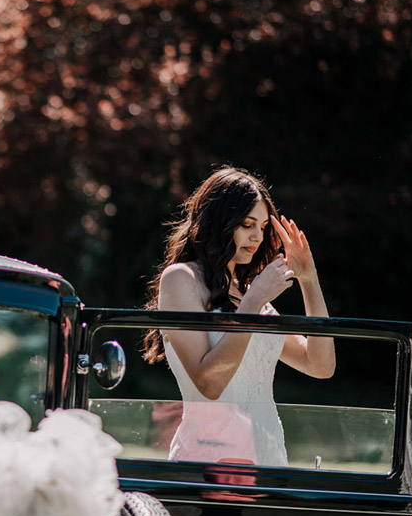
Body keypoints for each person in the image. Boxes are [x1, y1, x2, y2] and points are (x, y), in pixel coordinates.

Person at [142, 167, 335, 467]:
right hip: (209, 462)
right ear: (219, 221)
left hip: (269, 459)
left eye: (262, 227)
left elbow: (320, 365)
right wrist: (255, 299)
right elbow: (209, 384)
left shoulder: (246, 293)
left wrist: (309, 280)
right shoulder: (180, 280)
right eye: (247, 225)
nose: (258, 237)